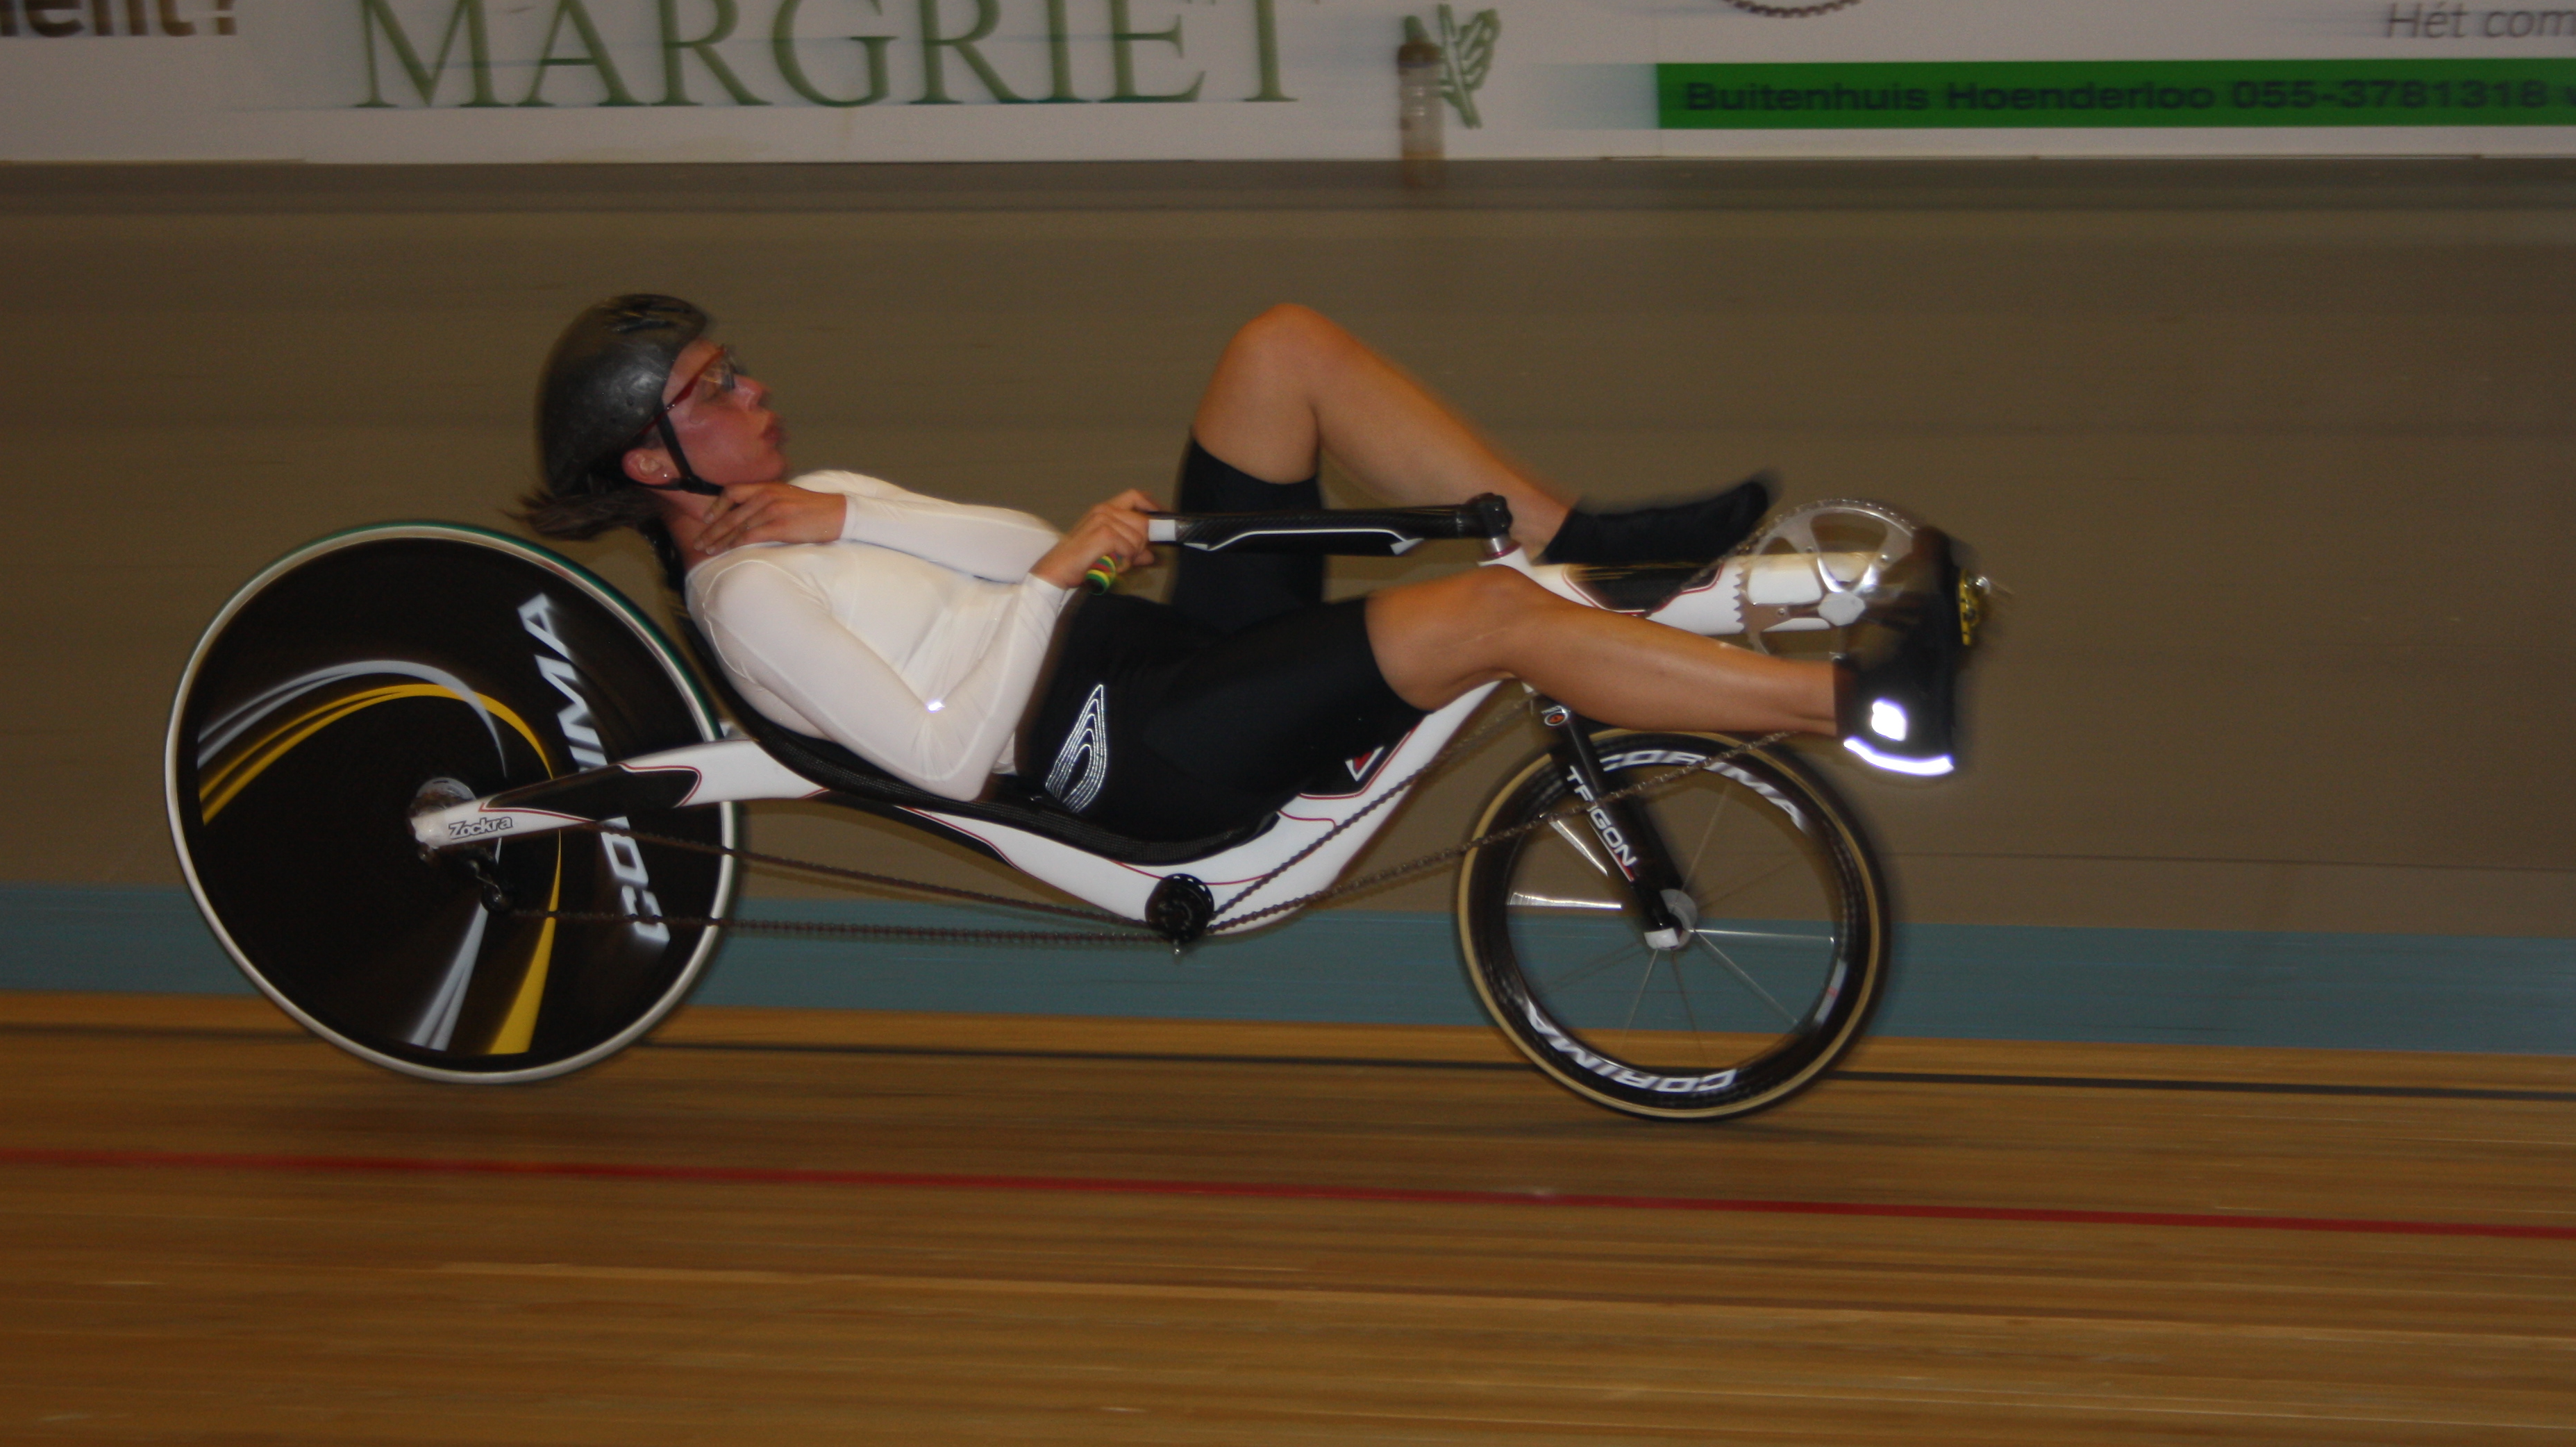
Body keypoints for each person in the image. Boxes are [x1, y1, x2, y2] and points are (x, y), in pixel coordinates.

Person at [521, 295, 1968, 842]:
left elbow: (1018, 555)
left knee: (1280, 350)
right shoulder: (746, 603)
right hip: (1134, 754)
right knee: (1491, 617)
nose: (757, 392)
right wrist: (1057, 587)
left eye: (738, 367)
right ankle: (1866, 706)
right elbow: (949, 761)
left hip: (1163, 665)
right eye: (715, 390)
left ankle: (1573, 529)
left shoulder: (808, 510)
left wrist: (854, 523)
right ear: (651, 464)